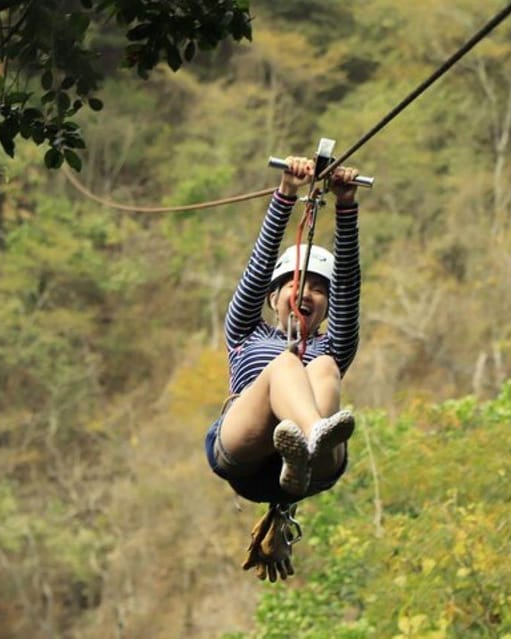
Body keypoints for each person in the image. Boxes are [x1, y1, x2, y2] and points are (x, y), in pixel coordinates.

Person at [203, 156, 362, 580]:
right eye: (295, 283)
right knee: (284, 366)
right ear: (274, 297)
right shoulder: (245, 333)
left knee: (324, 365)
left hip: (307, 474)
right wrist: (286, 194)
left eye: (316, 289)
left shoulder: (334, 344)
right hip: (247, 449)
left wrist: (347, 207)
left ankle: (305, 446)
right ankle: (313, 434)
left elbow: (348, 286)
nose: (305, 292)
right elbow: (255, 272)